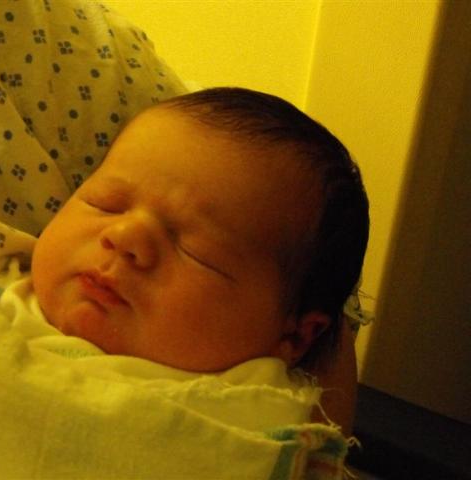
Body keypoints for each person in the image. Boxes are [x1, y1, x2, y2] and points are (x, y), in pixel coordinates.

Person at [31, 87, 369, 429]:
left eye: (198, 252)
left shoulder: (254, 418)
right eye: (105, 203)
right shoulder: (6, 294)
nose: (123, 236)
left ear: (294, 337)